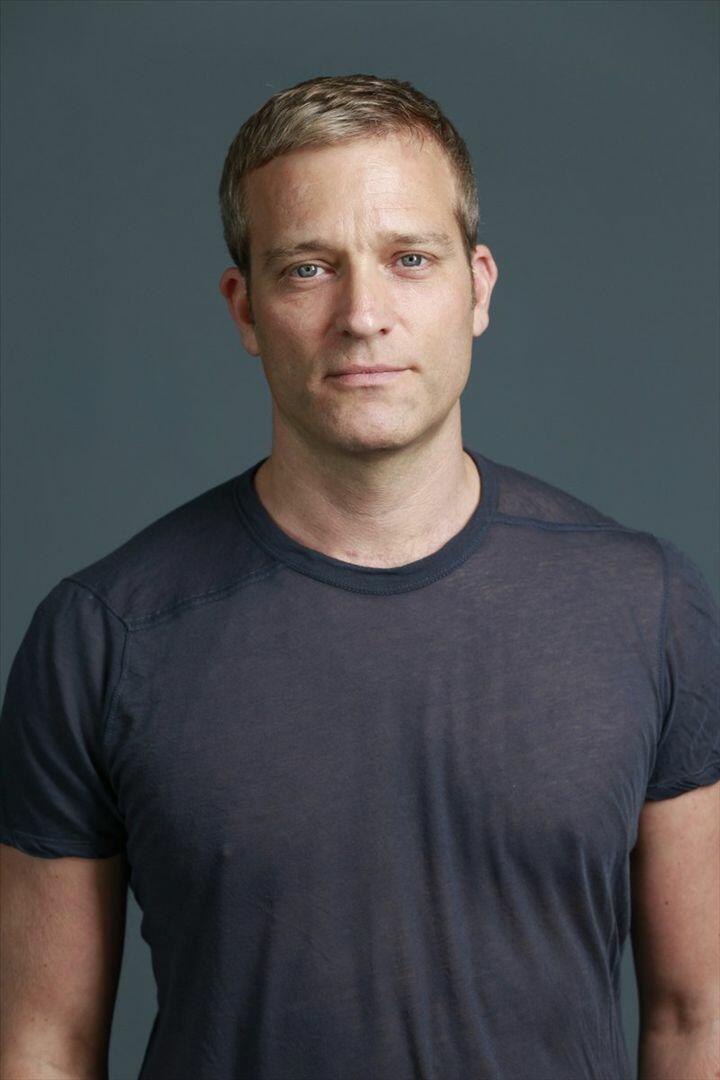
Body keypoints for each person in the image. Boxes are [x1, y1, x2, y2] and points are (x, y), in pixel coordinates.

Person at [1, 73, 718, 1080]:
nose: (363, 314)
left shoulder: (647, 606)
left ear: (478, 287)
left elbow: (697, 1018)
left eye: (409, 259)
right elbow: (42, 1042)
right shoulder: (101, 636)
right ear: (245, 308)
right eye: (307, 269)